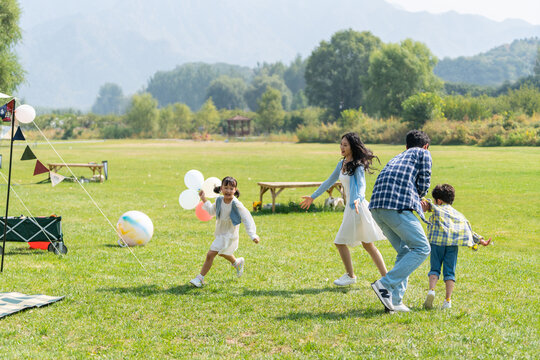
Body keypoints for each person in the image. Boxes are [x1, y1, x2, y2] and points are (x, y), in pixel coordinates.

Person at [300, 132, 387, 286]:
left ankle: (351, 276)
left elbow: (361, 186)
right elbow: (329, 181)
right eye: (341, 144)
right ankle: (386, 278)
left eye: (345, 145)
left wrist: (357, 199)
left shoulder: (358, 166)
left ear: (352, 147)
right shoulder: (341, 164)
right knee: (367, 245)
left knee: (342, 242)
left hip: (357, 208)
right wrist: (313, 196)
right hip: (351, 208)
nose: (341, 147)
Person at [369, 130, 432, 313]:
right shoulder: (423, 153)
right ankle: (385, 285)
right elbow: (424, 182)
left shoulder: (399, 156)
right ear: (426, 146)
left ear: (406, 146)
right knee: (422, 248)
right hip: (396, 206)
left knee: (405, 250)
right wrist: (420, 198)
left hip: (377, 207)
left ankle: (395, 301)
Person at [421, 184, 491, 309]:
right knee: (450, 272)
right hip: (452, 245)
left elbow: (429, 205)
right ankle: (447, 300)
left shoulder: (438, 208)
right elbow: (468, 230)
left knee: (435, 269)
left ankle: (431, 290)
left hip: (437, 244)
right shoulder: (459, 215)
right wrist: (480, 240)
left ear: (439, 201)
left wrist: (425, 203)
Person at [189, 176, 260, 288]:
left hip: (230, 234)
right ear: (221, 188)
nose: (228, 191)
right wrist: (203, 199)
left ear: (235, 190)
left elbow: (247, 218)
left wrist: (253, 235)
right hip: (221, 231)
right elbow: (212, 212)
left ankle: (199, 278)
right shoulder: (219, 200)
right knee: (223, 252)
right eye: (226, 188)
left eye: (231, 188)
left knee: (210, 254)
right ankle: (237, 263)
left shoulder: (236, 204)